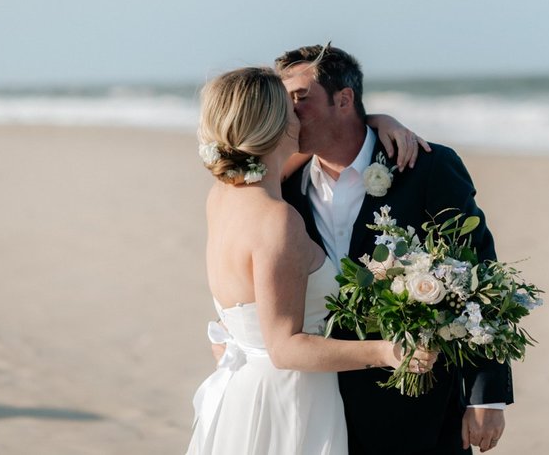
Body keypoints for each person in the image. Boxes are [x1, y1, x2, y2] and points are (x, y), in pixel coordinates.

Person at [276, 45, 514, 455]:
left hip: (419, 396)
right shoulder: (284, 186)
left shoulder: (426, 166)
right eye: (282, 102)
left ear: (344, 99)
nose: (288, 113)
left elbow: (478, 273)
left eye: (300, 99)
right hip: (320, 394)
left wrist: (485, 397)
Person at [186, 66, 437, 455]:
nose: (299, 113)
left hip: (245, 390)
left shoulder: (223, 195)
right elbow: (285, 349)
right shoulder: (277, 220)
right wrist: (387, 352)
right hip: (290, 398)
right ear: (276, 125)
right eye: (291, 107)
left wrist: (374, 121)